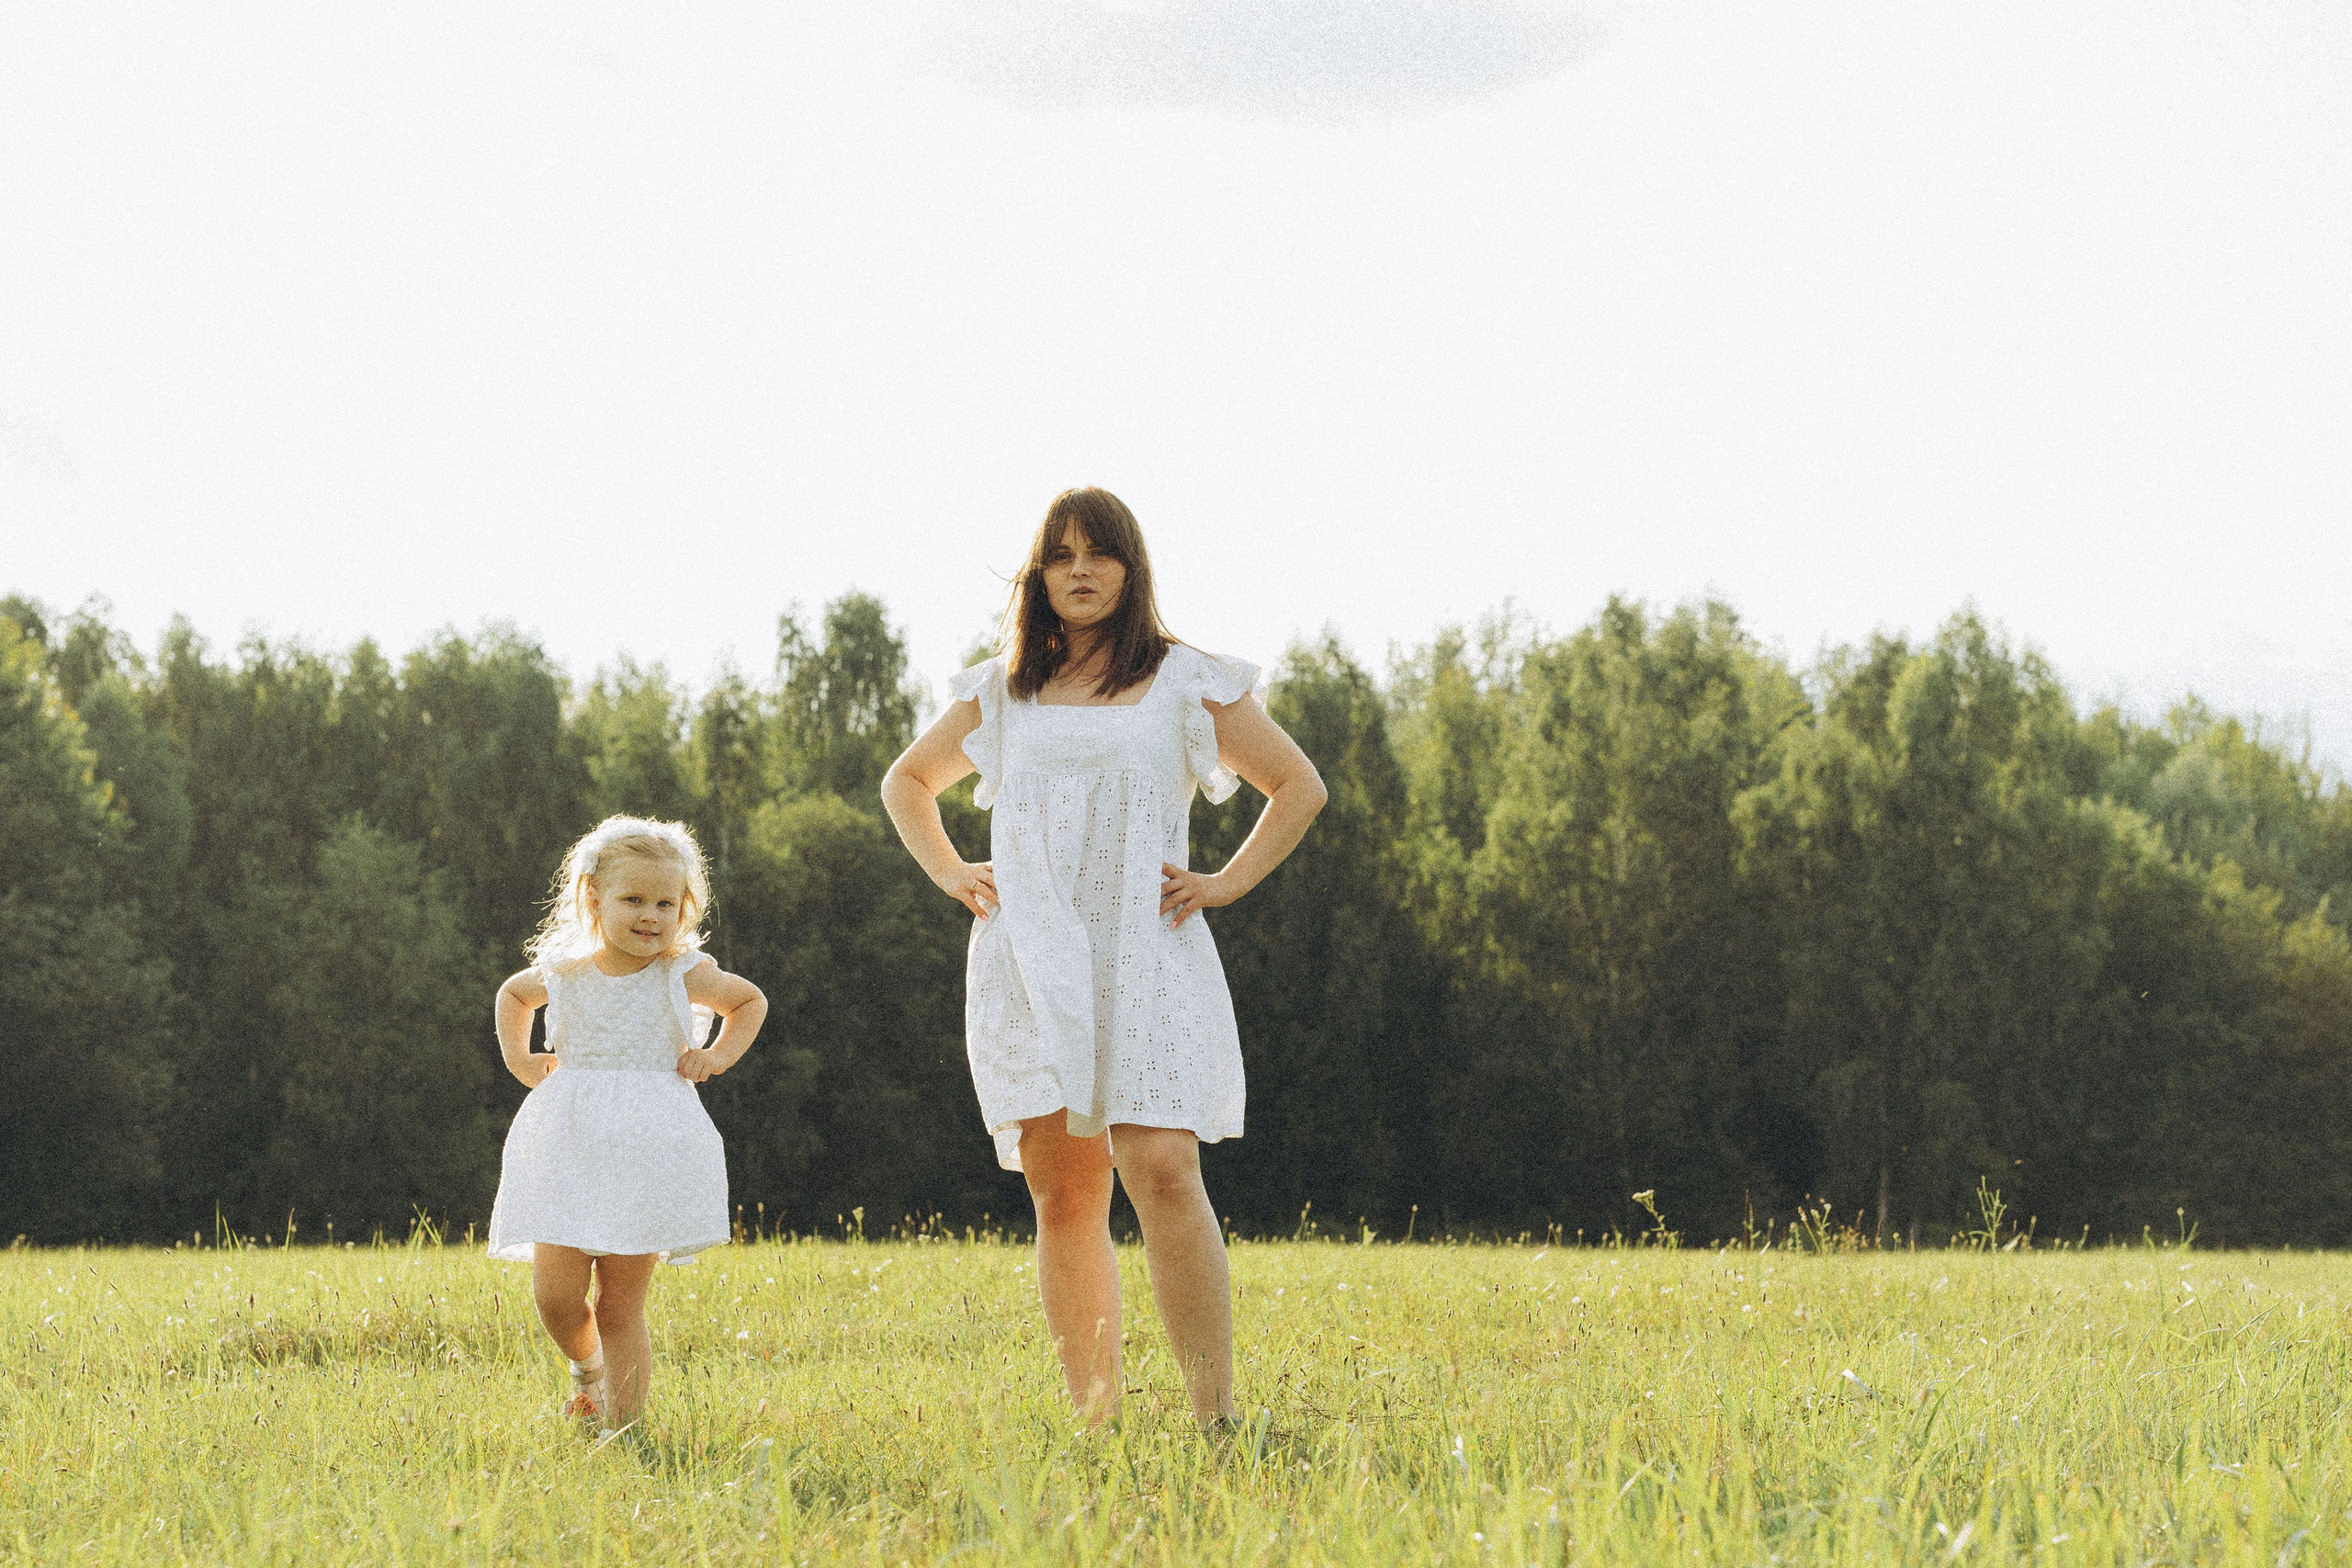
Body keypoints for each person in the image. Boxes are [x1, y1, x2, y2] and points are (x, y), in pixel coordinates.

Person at [881, 487, 1326, 1430]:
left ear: (1131, 568)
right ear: (1039, 575)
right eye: (1060, 556)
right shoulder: (1000, 689)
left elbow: (1296, 785)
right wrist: (956, 872)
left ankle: (1217, 1419)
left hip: (1143, 947)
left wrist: (1223, 881)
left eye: (1100, 553)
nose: (1079, 570)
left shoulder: (1187, 680)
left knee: (1162, 1164)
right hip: (1029, 955)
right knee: (1065, 1186)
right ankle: (1096, 1421)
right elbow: (907, 782)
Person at [484, 816, 768, 1432]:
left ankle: (626, 1429)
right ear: (593, 898)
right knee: (556, 1297)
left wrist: (716, 1053)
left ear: (684, 907)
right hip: (568, 1149)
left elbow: (748, 1000)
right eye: (633, 899)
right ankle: (588, 1369)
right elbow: (513, 994)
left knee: (620, 1305)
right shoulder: (566, 972)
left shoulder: (681, 972)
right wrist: (520, 1056)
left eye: (666, 902)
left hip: (646, 1157)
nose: (651, 915)